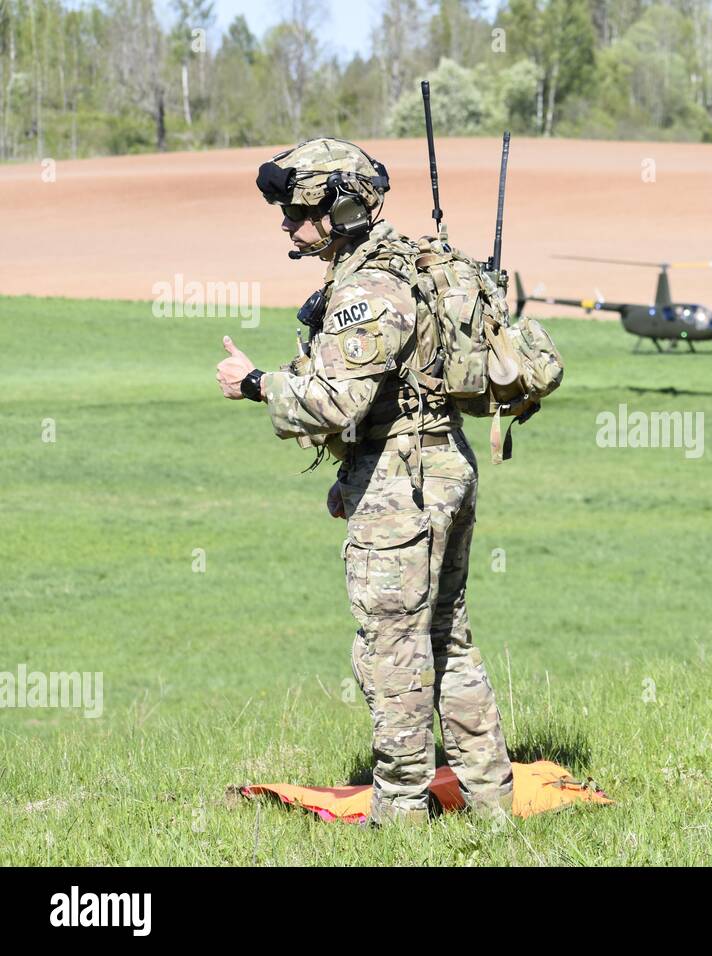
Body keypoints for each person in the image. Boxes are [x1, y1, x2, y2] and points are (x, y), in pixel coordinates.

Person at [214, 137, 513, 824]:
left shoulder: (369, 289)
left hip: (405, 484)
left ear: (342, 208)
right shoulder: (403, 266)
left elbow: (335, 401)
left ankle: (402, 813)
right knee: (447, 637)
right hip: (435, 466)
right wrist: (351, 480)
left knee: (392, 647)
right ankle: (492, 801)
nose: (286, 224)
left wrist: (258, 384)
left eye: (297, 210)